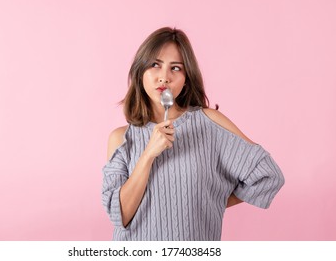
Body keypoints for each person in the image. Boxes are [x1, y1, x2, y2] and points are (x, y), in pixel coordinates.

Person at [101, 27, 285, 241]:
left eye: (176, 68)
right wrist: (148, 155)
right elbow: (119, 215)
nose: (164, 77)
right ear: (140, 72)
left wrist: (210, 199)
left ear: (187, 78)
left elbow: (268, 175)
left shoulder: (209, 124)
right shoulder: (121, 139)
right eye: (155, 65)